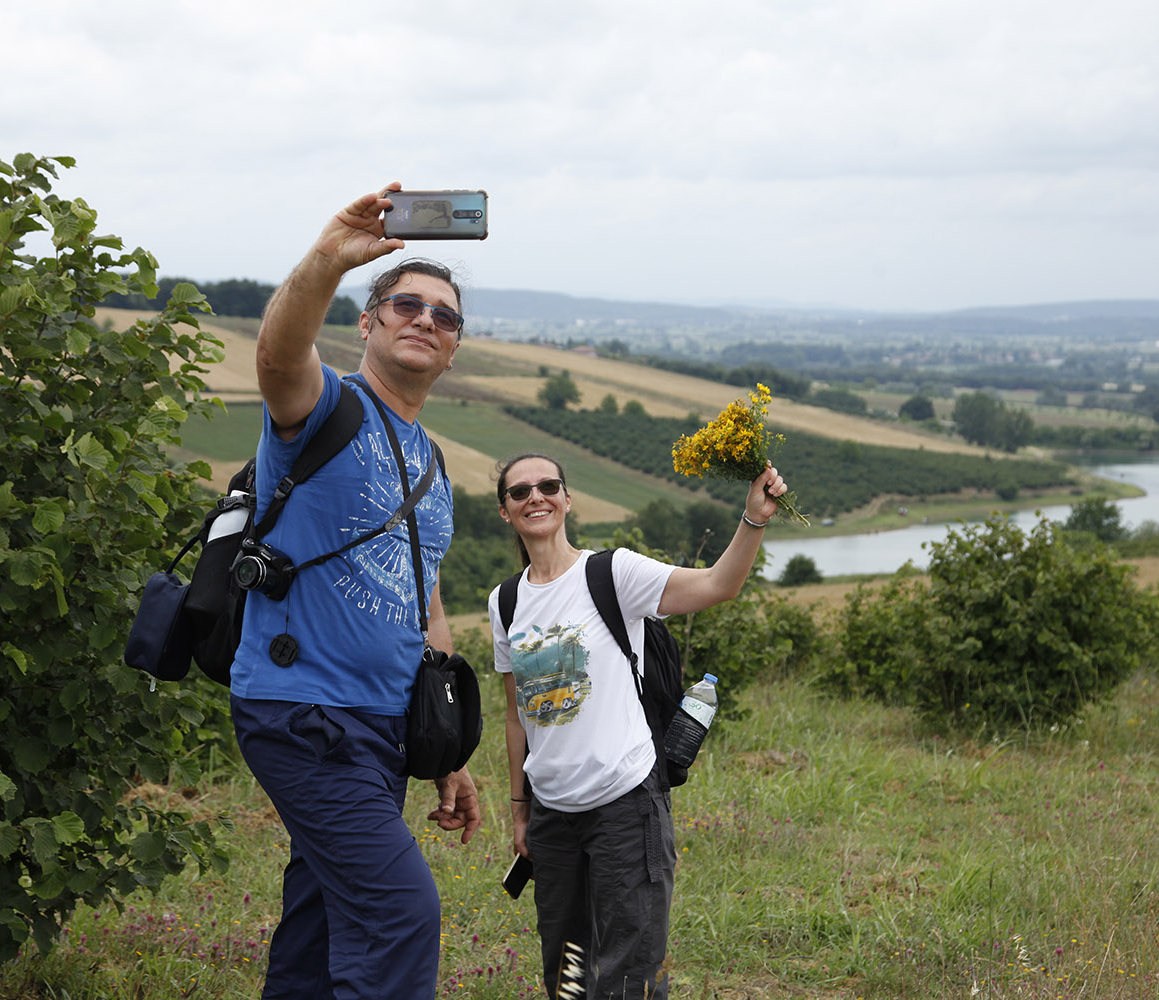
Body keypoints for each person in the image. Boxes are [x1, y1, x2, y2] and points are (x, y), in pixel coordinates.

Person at [230, 183, 482, 999]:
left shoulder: (435, 469)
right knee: (401, 915)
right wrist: (329, 257)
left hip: (377, 729)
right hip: (305, 711)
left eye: (443, 316)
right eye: (405, 304)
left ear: (452, 349)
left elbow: (427, 604)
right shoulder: (326, 409)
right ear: (367, 323)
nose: (424, 320)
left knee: (322, 928)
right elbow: (276, 354)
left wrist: (448, 749)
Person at [487, 452, 788, 999]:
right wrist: (520, 809)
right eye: (520, 491)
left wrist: (754, 519)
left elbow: (718, 585)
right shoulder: (505, 601)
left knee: (629, 973)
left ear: (567, 499)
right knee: (567, 973)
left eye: (548, 485)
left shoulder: (612, 574)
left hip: (624, 805)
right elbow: (516, 715)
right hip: (553, 817)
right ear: (505, 511)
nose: (536, 496)